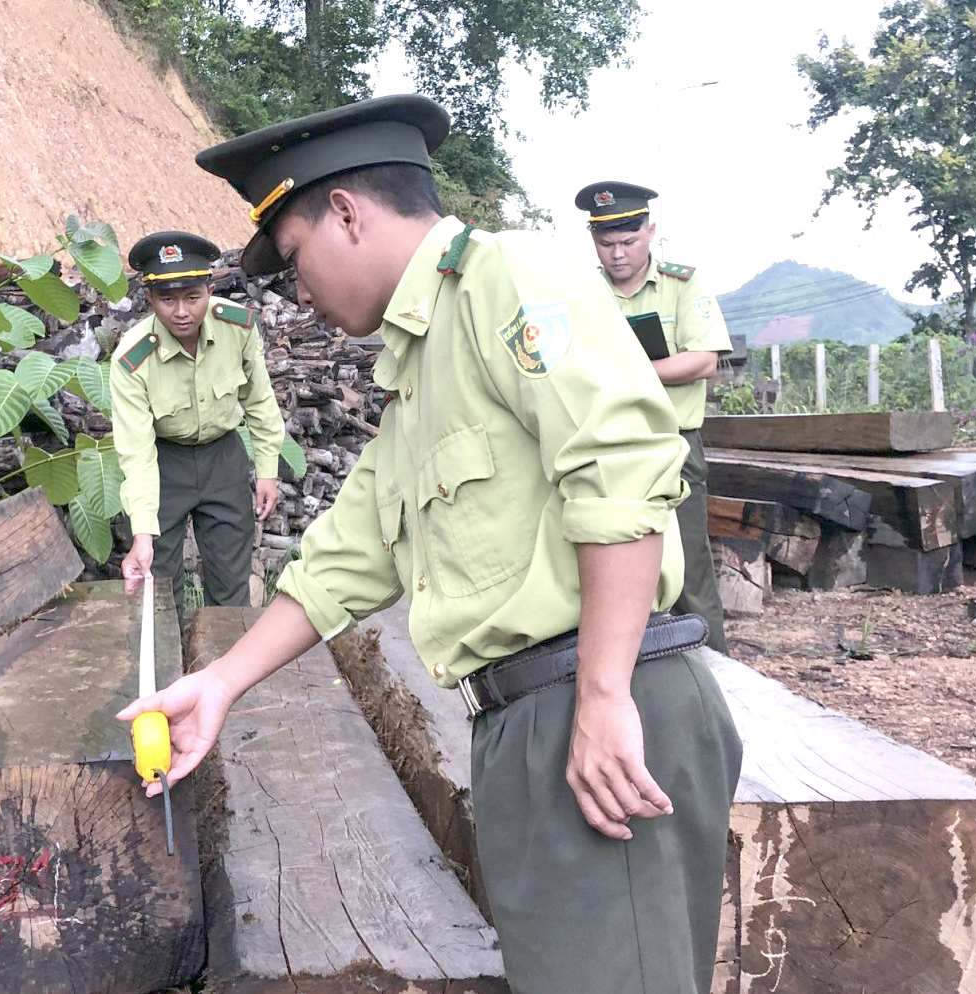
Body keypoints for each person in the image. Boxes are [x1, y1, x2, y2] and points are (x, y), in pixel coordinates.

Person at [118, 96, 742, 994]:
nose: (298, 291)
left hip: (604, 699)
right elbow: (348, 553)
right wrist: (217, 683)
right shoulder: (421, 363)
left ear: (346, 213)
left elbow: (619, 472)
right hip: (528, 716)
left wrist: (605, 692)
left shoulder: (508, 278)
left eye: (293, 261)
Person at [576, 181, 734, 653]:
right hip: (606, 444)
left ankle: (717, 672)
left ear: (651, 231)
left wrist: (630, 372)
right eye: (606, 244)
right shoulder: (583, 291)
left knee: (688, 570)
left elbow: (704, 359)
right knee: (610, 567)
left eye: (628, 241)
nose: (617, 255)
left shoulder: (683, 285)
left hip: (673, 443)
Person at [111, 231, 285, 607]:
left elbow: (259, 400)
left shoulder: (236, 327)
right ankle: (166, 665)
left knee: (231, 584)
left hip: (223, 460)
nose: (181, 312)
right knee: (159, 588)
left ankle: (227, 664)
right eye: (167, 299)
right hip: (163, 466)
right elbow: (136, 451)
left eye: (193, 296)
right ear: (149, 299)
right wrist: (142, 532)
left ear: (209, 290)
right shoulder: (133, 358)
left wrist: (267, 469)